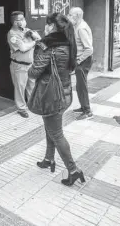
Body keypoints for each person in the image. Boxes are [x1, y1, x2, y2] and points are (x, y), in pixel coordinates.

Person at [29, 12, 85, 186]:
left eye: (47, 24)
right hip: (66, 92)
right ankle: (48, 159)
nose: (45, 27)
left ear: (51, 26)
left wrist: (34, 54)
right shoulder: (69, 43)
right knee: (50, 126)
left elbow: (34, 72)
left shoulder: (47, 45)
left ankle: (73, 170)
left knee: (56, 133)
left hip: (51, 95)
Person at [7, 11, 41, 118]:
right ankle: (21, 108)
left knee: (32, 85)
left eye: (23, 19)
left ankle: (32, 105)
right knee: (20, 87)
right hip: (19, 65)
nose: (23, 21)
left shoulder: (27, 31)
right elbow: (23, 48)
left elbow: (39, 39)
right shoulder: (12, 34)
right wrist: (34, 42)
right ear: (15, 22)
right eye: (21, 19)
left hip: (30, 64)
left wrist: (34, 36)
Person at [68, 7, 94, 120]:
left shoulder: (81, 28)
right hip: (81, 60)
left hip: (84, 61)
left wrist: (78, 61)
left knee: (82, 86)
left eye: (70, 15)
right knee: (79, 86)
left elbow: (89, 49)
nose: (68, 17)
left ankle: (87, 111)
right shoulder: (77, 26)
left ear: (77, 16)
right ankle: (83, 107)